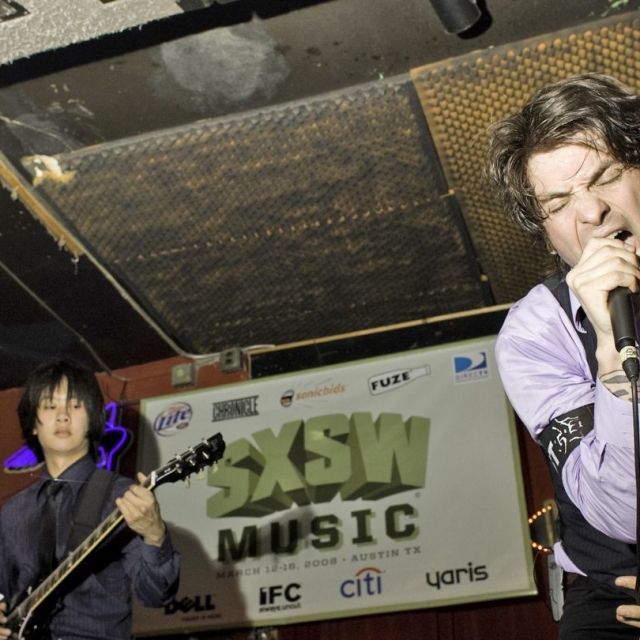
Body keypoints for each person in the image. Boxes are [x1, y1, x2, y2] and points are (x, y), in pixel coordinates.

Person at [486, 72, 640, 638]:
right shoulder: (536, 330)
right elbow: (625, 514)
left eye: (604, 178)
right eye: (558, 202)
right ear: (548, 234)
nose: (591, 213)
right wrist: (608, 346)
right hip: (615, 596)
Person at [0, 359, 180, 639]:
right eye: (50, 406)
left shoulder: (120, 497)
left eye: (74, 405)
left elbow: (156, 595)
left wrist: (155, 536)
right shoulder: (12, 513)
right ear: (33, 423)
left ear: (93, 419)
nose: (62, 416)